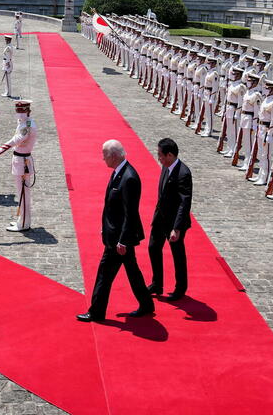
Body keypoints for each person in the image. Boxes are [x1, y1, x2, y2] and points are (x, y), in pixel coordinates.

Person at [77, 140, 155, 322]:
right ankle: (146, 303)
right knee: (132, 271)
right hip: (116, 235)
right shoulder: (119, 173)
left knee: (104, 274)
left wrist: (123, 241)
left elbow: (130, 213)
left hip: (119, 240)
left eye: (104, 154)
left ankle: (96, 312)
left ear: (113, 156)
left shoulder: (129, 178)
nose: (102, 158)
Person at [147, 138, 192, 300]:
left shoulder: (183, 173)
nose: (158, 158)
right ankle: (157, 283)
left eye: (161, 155)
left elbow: (184, 203)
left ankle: (180, 288)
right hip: (161, 218)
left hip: (174, 223)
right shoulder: (166, 167)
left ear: (170, 155)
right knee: (153, 247)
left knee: (177, 255)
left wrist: (177, 228)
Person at [0, 100, 37, 232]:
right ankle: (23, 220)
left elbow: (16, 140)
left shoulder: (27, 126)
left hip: (23, 161)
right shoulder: (25, 122)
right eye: (17, 111)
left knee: (23, 194)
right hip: (20, 160)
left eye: (21, 111)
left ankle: (24, 224)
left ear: (27, 111)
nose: (18, 114)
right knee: (21, 192)